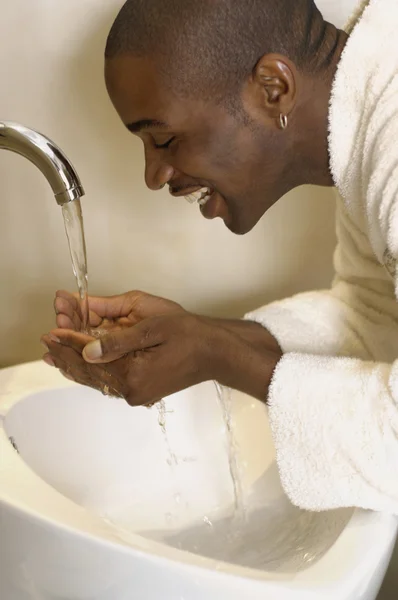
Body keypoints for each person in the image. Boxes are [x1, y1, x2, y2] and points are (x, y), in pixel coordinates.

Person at [42, 0, 398, 514]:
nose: (153, 175)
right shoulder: (370, 122)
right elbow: (374, 316)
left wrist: (217, 354)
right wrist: (197, 337)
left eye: (163, 139)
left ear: (273, 88)